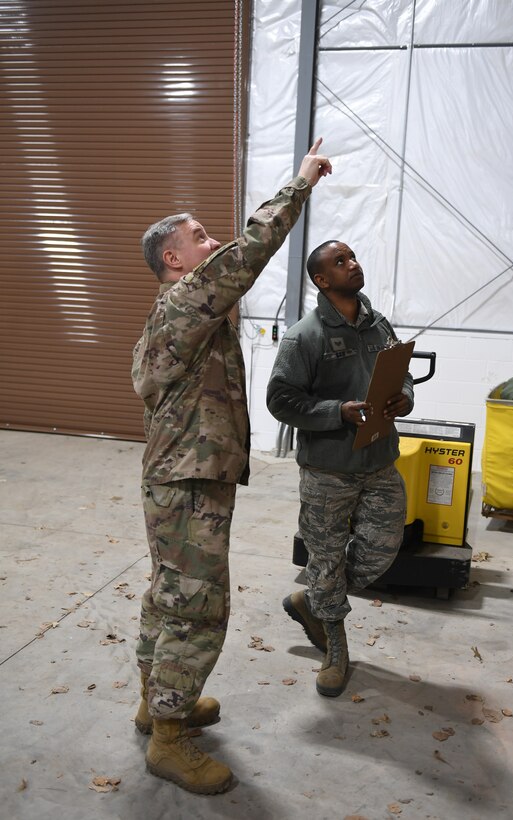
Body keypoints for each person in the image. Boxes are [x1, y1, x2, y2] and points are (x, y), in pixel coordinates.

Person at [131, 139, 332, 795]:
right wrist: (300, 183)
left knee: (170, 594)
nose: (212, 241)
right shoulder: (189, 298)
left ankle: (156, 700)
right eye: (199, 236)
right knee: (197, 607)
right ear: (174, 258)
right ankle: (168, 737)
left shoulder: (172, 315)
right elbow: (252, 249)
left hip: (179, 476)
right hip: (187, 481)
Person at [266, 240, 414, 698]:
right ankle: (334, 645)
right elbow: (280, 400)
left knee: (382, 547)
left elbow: (400, 372)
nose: (354, 264)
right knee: (326, 558)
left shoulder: (377, 324)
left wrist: (404, 396)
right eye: (340, 262)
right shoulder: (303, 336)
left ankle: (313, 599)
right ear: (322, 280)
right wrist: (337, 411)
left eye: (352, 257)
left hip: (379, 460)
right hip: (329, 469)